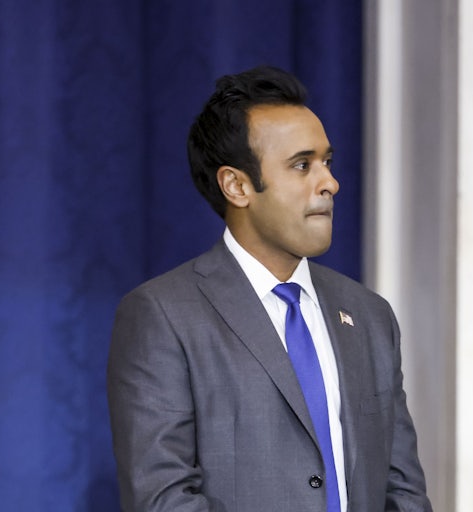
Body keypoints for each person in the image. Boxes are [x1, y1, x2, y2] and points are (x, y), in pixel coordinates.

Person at [106, 65, 432, 512]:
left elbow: (404, 490)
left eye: (327, 163)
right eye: (302, 165)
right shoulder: (162, 315)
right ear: (237, 185)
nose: (329, 183)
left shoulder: (370, 315)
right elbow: (162, 498)